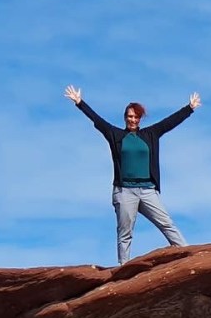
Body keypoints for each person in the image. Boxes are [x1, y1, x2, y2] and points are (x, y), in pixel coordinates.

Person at [64, 85, 201, 263]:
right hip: (125, 191)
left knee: (167, 223)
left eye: (136, 117)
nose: (133, 120)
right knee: (125, 233)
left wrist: (189, 108)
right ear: (125, 118)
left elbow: (169, 122)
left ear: (140, 118)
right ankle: (123, 267)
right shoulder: (116, 135)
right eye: (130, 116)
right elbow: (97, 121)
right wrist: (79, 103)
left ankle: (188, 254)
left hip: (147, 190)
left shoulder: (150, 134)